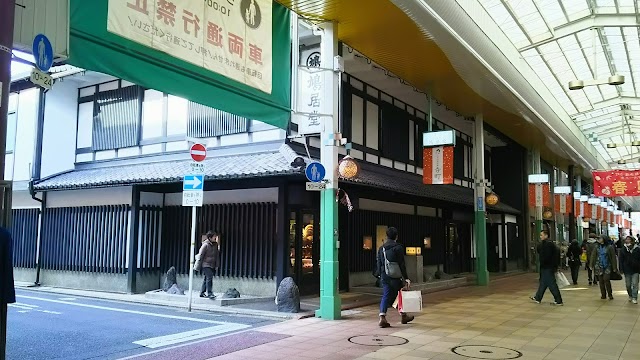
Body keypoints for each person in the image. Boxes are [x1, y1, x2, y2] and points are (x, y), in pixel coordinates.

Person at [376, 227, 413, 328]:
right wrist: (406, 277)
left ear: (387, 236)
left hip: (384, 275)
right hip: (395, 276)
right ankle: (403, 316)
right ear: (396, 236)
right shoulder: (398, 247)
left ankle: (382, 317)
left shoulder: (381, 248)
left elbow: (379, 263)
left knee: (386, 295)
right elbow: (401, 264)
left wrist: (379, 275)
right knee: (399, 295)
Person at [530, 230, 563, 305]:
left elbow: (545, 256)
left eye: (541, 235)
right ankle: (538, 297)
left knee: (551, 284)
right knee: (543, 283)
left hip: (548, 267)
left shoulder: (548, 245)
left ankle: (558, 300)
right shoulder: (548, 244)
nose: (540, 236)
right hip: (547, 267)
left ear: (546, 235)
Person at [589, 235, 619, 300]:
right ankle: (603, 294)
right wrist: (591, 265)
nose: (599, 239)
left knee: (606, 279)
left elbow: (613, 258)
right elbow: (593, 256)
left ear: (604, 239)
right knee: (601, 281)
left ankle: (610, 294)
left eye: (600, 238)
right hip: (598, 266)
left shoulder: (609, 247)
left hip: (607, 266)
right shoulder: (597, 247)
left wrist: (614, 267)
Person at [198, 231, 220, 300]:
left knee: (206, 278)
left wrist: (217, 265)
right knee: (209, 277)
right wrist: (198, 265)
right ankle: (210, 293)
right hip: (206, 264)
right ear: (210, 238)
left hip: (212, 264)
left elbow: (217, 255)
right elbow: (200, 255)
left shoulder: (215, 245)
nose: (215, 238)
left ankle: (202, 292)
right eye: (214, 237)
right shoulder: (205, 245)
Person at [619, 236, 640, 304]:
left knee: (635, 284)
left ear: (632, 240)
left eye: (629, 239)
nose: (628, 240)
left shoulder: (637, 249)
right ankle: (630, 295)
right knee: (628, 285)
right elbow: (621, 260)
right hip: (627, 269)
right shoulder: (623, 249)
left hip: (635, 269)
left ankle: (634, 297)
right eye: (627, 239)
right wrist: (621, 269)